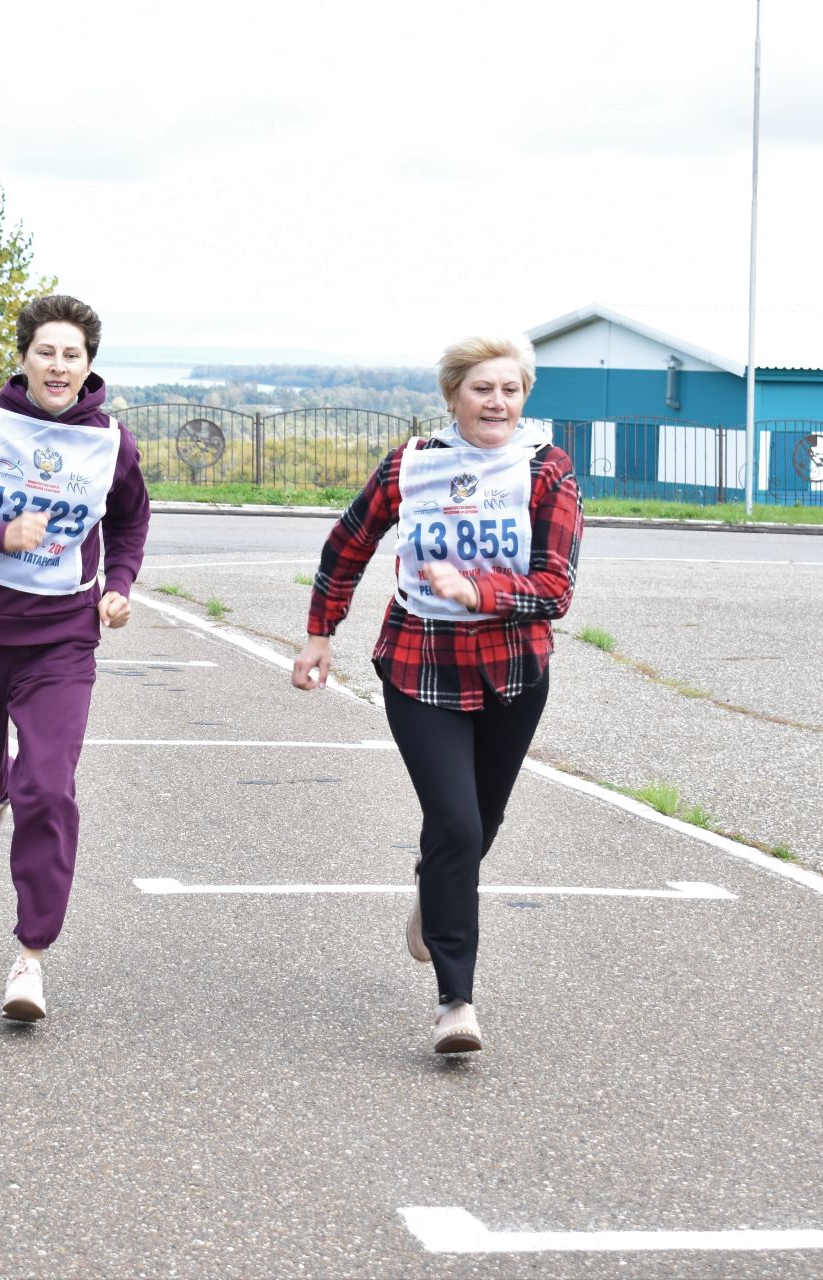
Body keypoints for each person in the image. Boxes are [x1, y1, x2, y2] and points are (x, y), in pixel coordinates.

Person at [291, 336, 582, 1055]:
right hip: (421, 667)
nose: (498, 403)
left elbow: (556, 588)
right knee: (454, 822)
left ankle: (434, 888)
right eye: (483, 389)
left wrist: (477, 588)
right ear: (453, 396)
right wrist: (319, 633)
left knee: (479, 823)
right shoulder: (411, 466)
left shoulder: (546, 471)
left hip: (514, 671)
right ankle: (457, 1001)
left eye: (511, 390)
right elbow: (348, 543)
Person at [0, 295, 151, 1023]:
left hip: (63, 639)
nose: (58, 365)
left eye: (72, 354)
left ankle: (31, 958)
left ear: (89, 366)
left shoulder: (113, 443)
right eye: (46, 351)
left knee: (49, 787)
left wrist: (119, 585)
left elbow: (131, 522)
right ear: (23, 358)